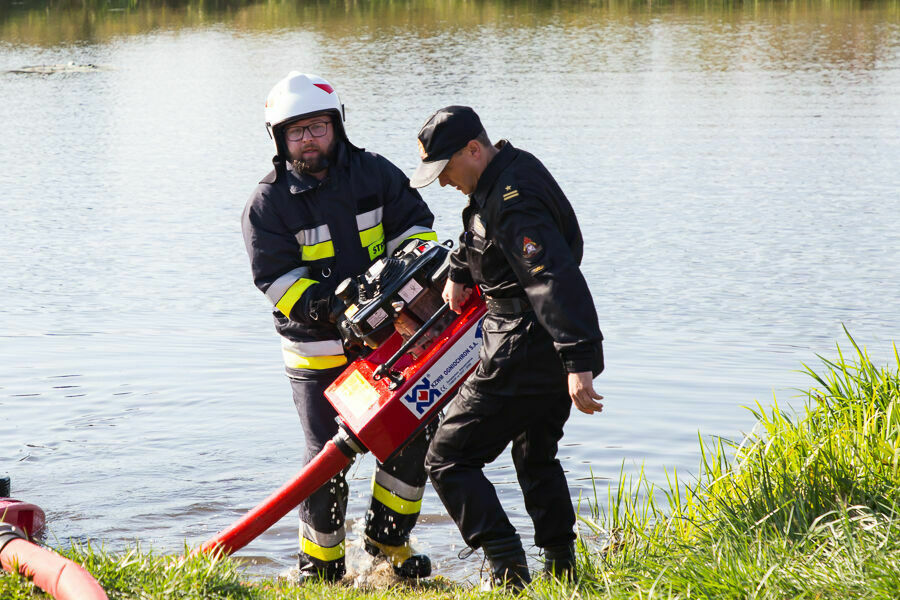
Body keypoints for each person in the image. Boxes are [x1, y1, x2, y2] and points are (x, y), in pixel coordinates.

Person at [241, 72, 439, 582]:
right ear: (279, 140)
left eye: (316, 127)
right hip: (317, 348)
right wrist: (333, 305)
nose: (307, 139)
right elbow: (276, 280)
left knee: (411, 434)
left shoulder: (374, 173)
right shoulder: (267, 203)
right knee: (327, 457)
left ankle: (386, 546)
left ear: (336, 126)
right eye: (295, 132)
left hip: (389, 338)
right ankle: (321, 566)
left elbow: (418, 229)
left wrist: (400, 280)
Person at [408, 106, 605, 589]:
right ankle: (562, 571)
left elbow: (552, 276)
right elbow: (479, 223)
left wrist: (579, 361)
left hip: (522, 342)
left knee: (447, 458)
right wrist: (458, 268)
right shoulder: (507, 171)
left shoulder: (513, 200)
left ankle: (507, 568)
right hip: (545, 347)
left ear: (473, 150)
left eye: (445, 171)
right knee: (535, 455)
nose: (443, 182)